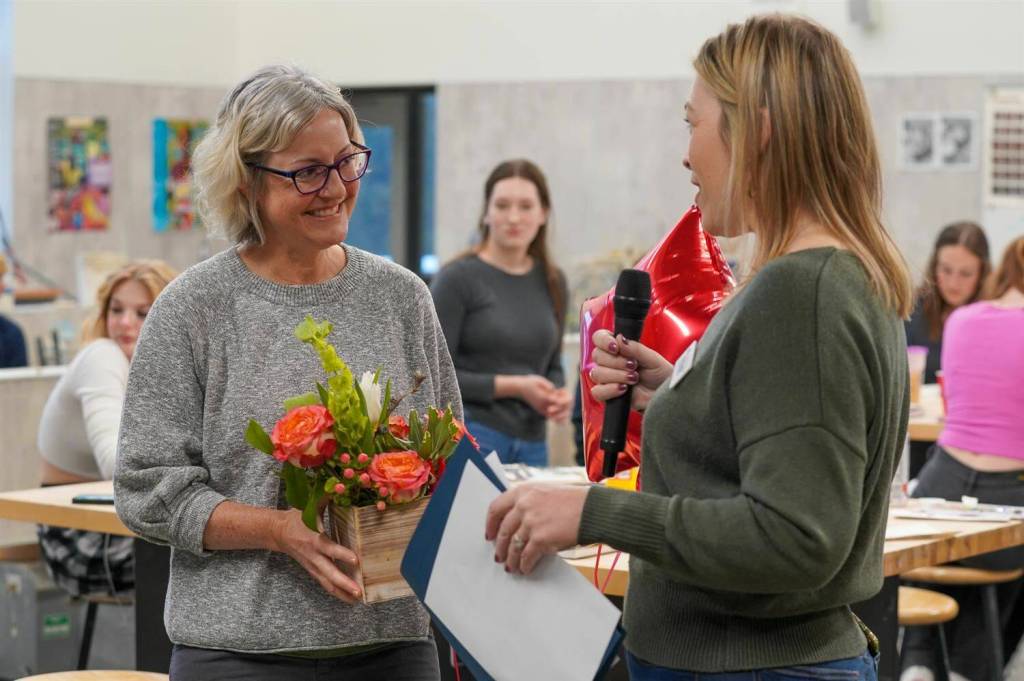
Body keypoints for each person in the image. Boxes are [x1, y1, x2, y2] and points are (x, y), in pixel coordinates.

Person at [485, 15, 912, 680]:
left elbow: (796, 536)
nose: (686, 154)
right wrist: (680, 393)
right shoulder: (835, 273)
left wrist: (595, 511)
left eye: (693, 122)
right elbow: (780, 446)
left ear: (759, 131)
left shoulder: (802, 291)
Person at [113, 65, 461, 680]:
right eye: (307, 171)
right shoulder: (194, 309)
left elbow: (449, 457)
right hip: (239, 654)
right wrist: (278, 530)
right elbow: (146, 491)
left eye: (347, 161)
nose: (335, 188)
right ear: (247, 183)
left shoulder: (400, 297)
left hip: (393, 647)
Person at [901, 236, 1024, 681]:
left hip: (939, 488)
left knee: (936, 555)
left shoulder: (962, 321)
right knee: (1001, 560)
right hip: (1009, 502)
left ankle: (917, 660)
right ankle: (972, 669)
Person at [36, 259, 177, 596]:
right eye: (117, 310)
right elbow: (118, 466)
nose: (125, 324)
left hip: (124, 525)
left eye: (143, 313)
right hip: (77, 537)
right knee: (214, 557)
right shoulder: (102, 356)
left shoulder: (151, 370)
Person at [430, 159, 570, 467]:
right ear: (487, 212)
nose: (514, 217)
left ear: (543, 214)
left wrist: (557, 392)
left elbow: (552, 364)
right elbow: (434, 375)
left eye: (526, 206)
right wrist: (516, 387)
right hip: (473, 436)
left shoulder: (553, 281)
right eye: (503, 205)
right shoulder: (456, 279)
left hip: (534, 444)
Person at [906, 221, 990, 384]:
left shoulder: (995, 319)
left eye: (966, 273)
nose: (953, 283)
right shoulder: (911, 310)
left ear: (982, 274)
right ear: (934, 266)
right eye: (946, 270)